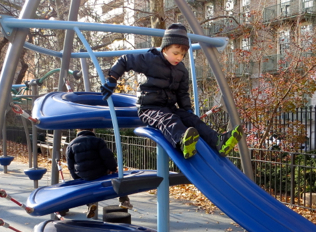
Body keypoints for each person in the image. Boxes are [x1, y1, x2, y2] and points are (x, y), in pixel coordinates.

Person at [100, 23, 242, 159]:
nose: (179, 57)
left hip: (169, 107)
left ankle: (218, 141)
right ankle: (182, 142)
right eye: (175, 53)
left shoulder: (181, 70)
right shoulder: (150, 60)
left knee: (192, 120)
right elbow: (125, 60)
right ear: (164, 49)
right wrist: (112, 78)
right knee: (168, 119)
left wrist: (187, 110)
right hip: (149, 108)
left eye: (182, 54)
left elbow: (182, 93)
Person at [66, 129, 132, 217]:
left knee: (87, 188)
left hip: (82, 174)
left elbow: (70, 165)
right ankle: (124, 200)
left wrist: (77, 179)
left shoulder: (71, 144)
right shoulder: (98, 141)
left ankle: (90, 204)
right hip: (100, 172)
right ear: (92, 130)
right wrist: (113, 168)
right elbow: (107, 157)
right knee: (119, 177)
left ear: (77, 131)